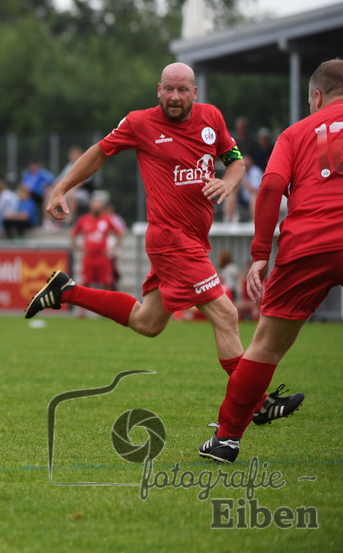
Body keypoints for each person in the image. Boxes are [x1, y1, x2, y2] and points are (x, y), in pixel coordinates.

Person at [25, 62, 301, 424]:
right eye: (168, 89)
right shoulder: (140, 123)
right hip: (171, 240)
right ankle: (259, 403)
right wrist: (61, 188)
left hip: (193, 240)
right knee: (227, 315)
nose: (174, 97)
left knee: (148, 322)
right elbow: (99, 152)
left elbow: (234, 162)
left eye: (182, 90)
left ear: (194, 93)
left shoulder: (211, 118)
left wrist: (228, 183)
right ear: (158, 90)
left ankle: (66, 291)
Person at [198, 58, 343, 463]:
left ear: (316, 96)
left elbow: (271, 188)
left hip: (308, 244)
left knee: (265, 346)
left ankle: (226, 439)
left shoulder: (296, 133)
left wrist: (260, 255)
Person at [69, 195, 123, 309]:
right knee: (86, 284)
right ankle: (83, 311)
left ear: (102, 208)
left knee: (107, 284)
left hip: (103, 257)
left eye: (98, 206)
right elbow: (73, 234)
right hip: (89, 257)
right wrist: (79, 248)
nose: (96, 208)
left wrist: (113, 248)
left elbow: (119, 233)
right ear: (91, 207)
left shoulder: (107, 219)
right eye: (94, 206)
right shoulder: (83, 219)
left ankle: (108, 309)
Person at [56, 146, 95, 221]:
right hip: (68, 191)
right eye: (72, 155)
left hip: (84, 193)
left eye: (76, 155)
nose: (74, 157)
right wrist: (54, 188)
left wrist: (67, 189)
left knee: (70, 194)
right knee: (51, 194)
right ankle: (50, 220)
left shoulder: (85, 166)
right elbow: (59, 179)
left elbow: (81, 182)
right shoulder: (69, 166)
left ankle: (71, 218)